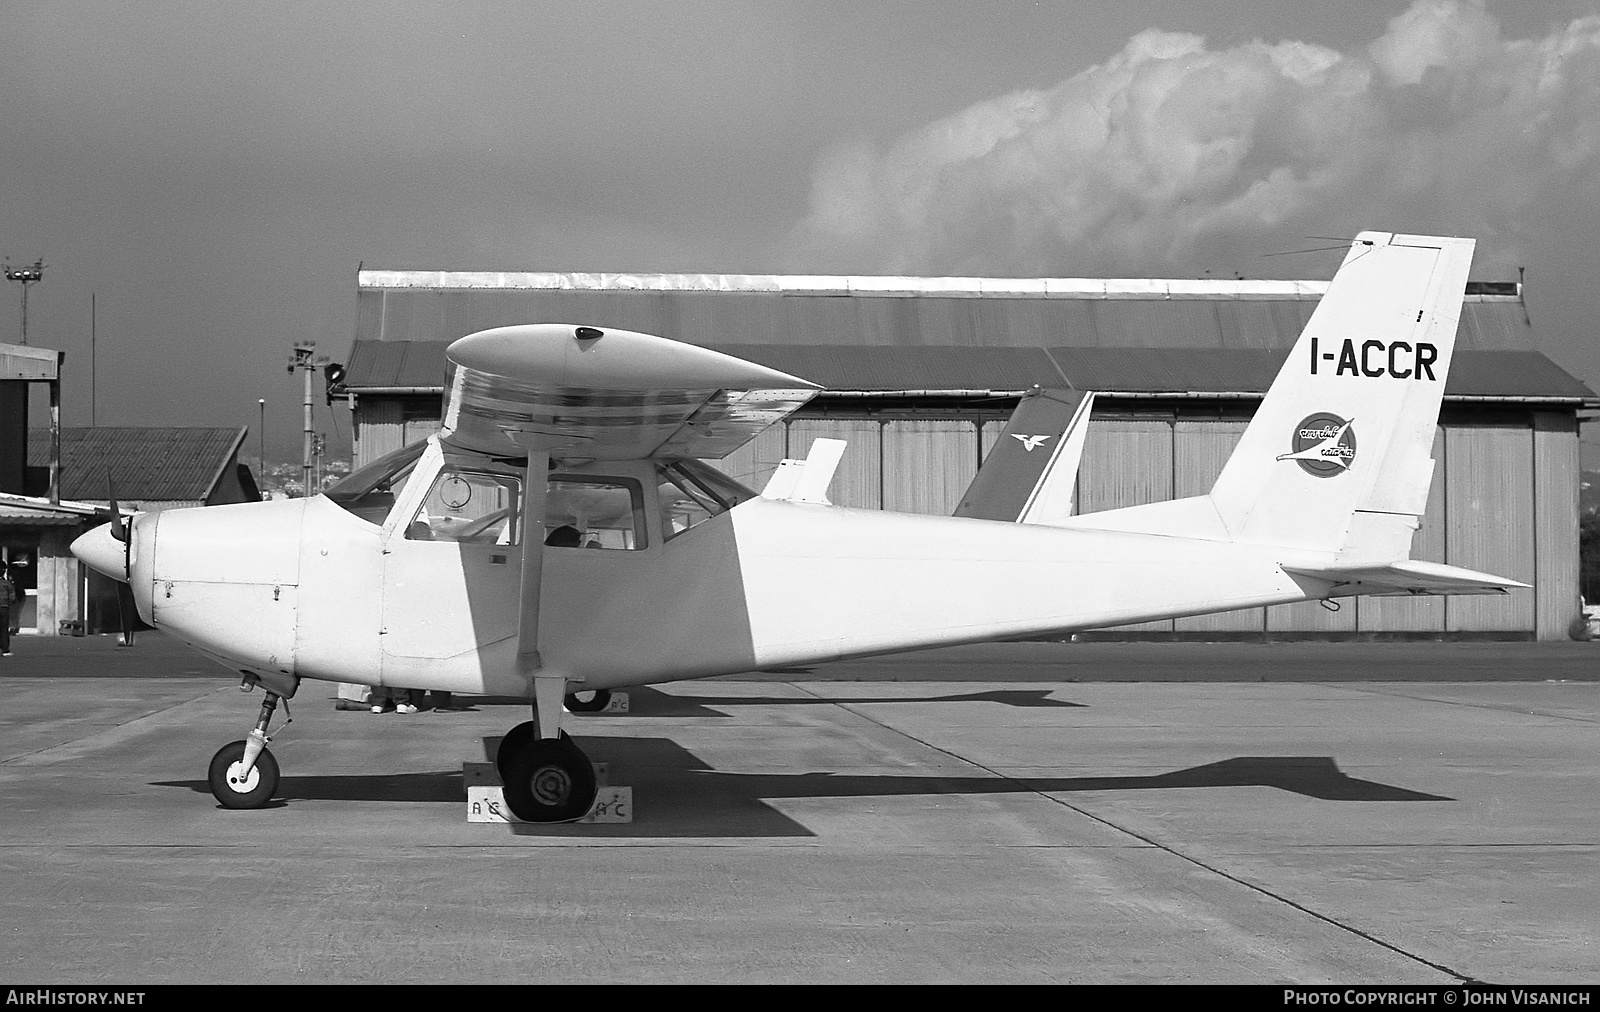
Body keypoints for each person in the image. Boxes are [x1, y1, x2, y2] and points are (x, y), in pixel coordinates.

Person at [0, 563, 13, 656]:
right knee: (4, 629)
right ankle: (5, 650)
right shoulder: (7, 584)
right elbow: (12, 597)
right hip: (4, 607)